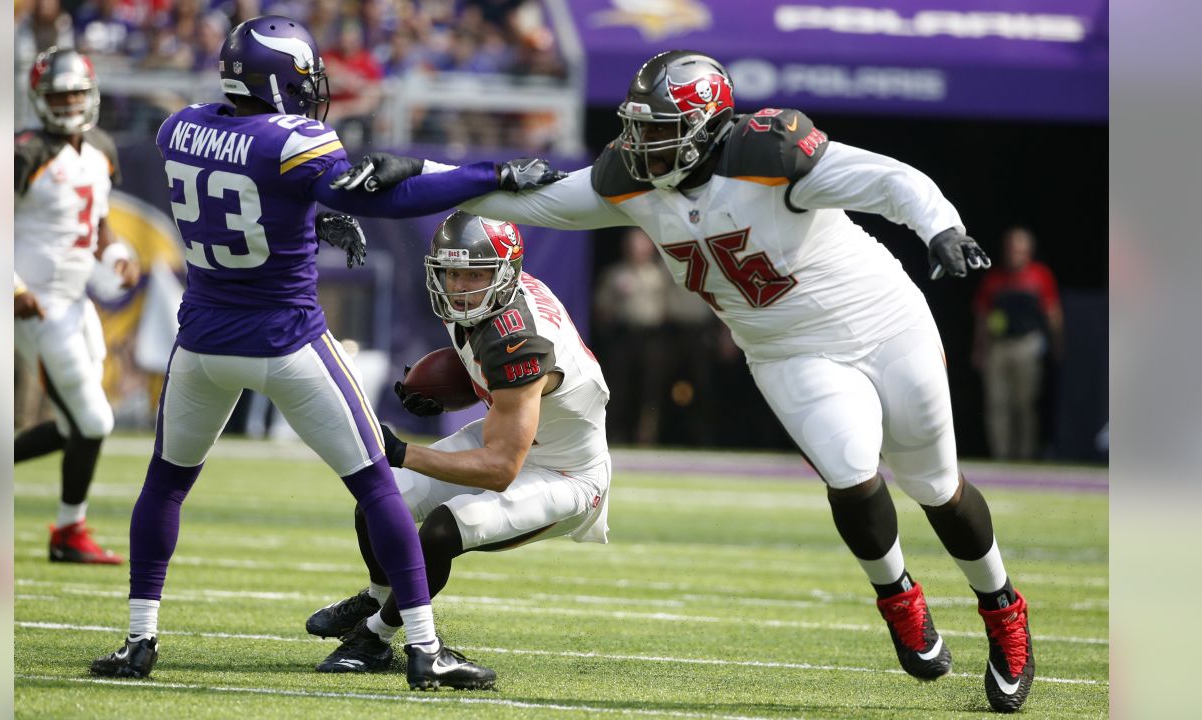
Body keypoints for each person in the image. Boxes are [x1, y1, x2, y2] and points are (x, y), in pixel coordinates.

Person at [349, 50, 1035, 713]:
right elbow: (532, 202)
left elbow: (890, 180)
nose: (639, 144)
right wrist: (422, 171)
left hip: (886, 324)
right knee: (852, 472)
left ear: (706, 126)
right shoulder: (633, 181)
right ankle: (898, 596)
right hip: (788, 351)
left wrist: (941, 227)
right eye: (637, 128)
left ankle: (1001, 604)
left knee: (934, 484)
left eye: (658, 130)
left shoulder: (770, 154)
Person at [87, 15, 565, 689]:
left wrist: (310, 210)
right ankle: (425, 649)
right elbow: (389, 197)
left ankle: (138, 642)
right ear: (282, 81)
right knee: (377, 486)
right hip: (285, 340)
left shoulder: (179, 127)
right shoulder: (294, 141)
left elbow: (248, 191)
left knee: (165, 484)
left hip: (201, 343)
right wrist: (489, 173)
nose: (315, 91)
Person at [303, 211, 610, 687]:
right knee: (378, 500)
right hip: (512, 432)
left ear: (504, 274)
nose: (463, 285)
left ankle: (374, 635)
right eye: (454, 272)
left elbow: (501, 468)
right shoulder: (491, 296)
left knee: (445, 527)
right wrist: (456, 387)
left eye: (476, 274)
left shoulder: (520, 341)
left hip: (564, 472)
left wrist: (401, 450)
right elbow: (494, 374)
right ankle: (378, 594)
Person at [15, 46, 140, 565]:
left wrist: (115, 251)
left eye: (76, 93)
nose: (68, 103)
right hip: (36, 303)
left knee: (75, 427)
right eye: (59, 95)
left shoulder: (100, 148)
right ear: (40, 99)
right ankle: (69, 533)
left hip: (75, 298)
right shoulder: (25, 152)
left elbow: (100, 222)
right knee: (93, 422)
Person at [972, 227, 1064, 461]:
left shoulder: (1040, 276)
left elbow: (1053, 313)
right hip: (999, 348)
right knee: (997, 405)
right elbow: (982, 317)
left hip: (1028, 347)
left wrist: (1057, 344)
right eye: (1011, 247)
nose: (1015, 252)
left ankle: (1025, 459)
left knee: (1025, 406)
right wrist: (979, 349)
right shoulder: (994, 279)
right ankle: (1001, 457)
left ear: (1028, 251)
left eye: (1020, 248)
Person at [592, 228, 669, 444]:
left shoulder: (659, 274)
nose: (637, 249)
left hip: (652, 337)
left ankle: (646, 436)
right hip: (623, 336)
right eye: (633, 245)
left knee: (650, 388)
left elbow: (670, 305)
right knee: (618, 387)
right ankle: (616, 433)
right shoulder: (615, 274)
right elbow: (601, 308)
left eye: (642, 245)